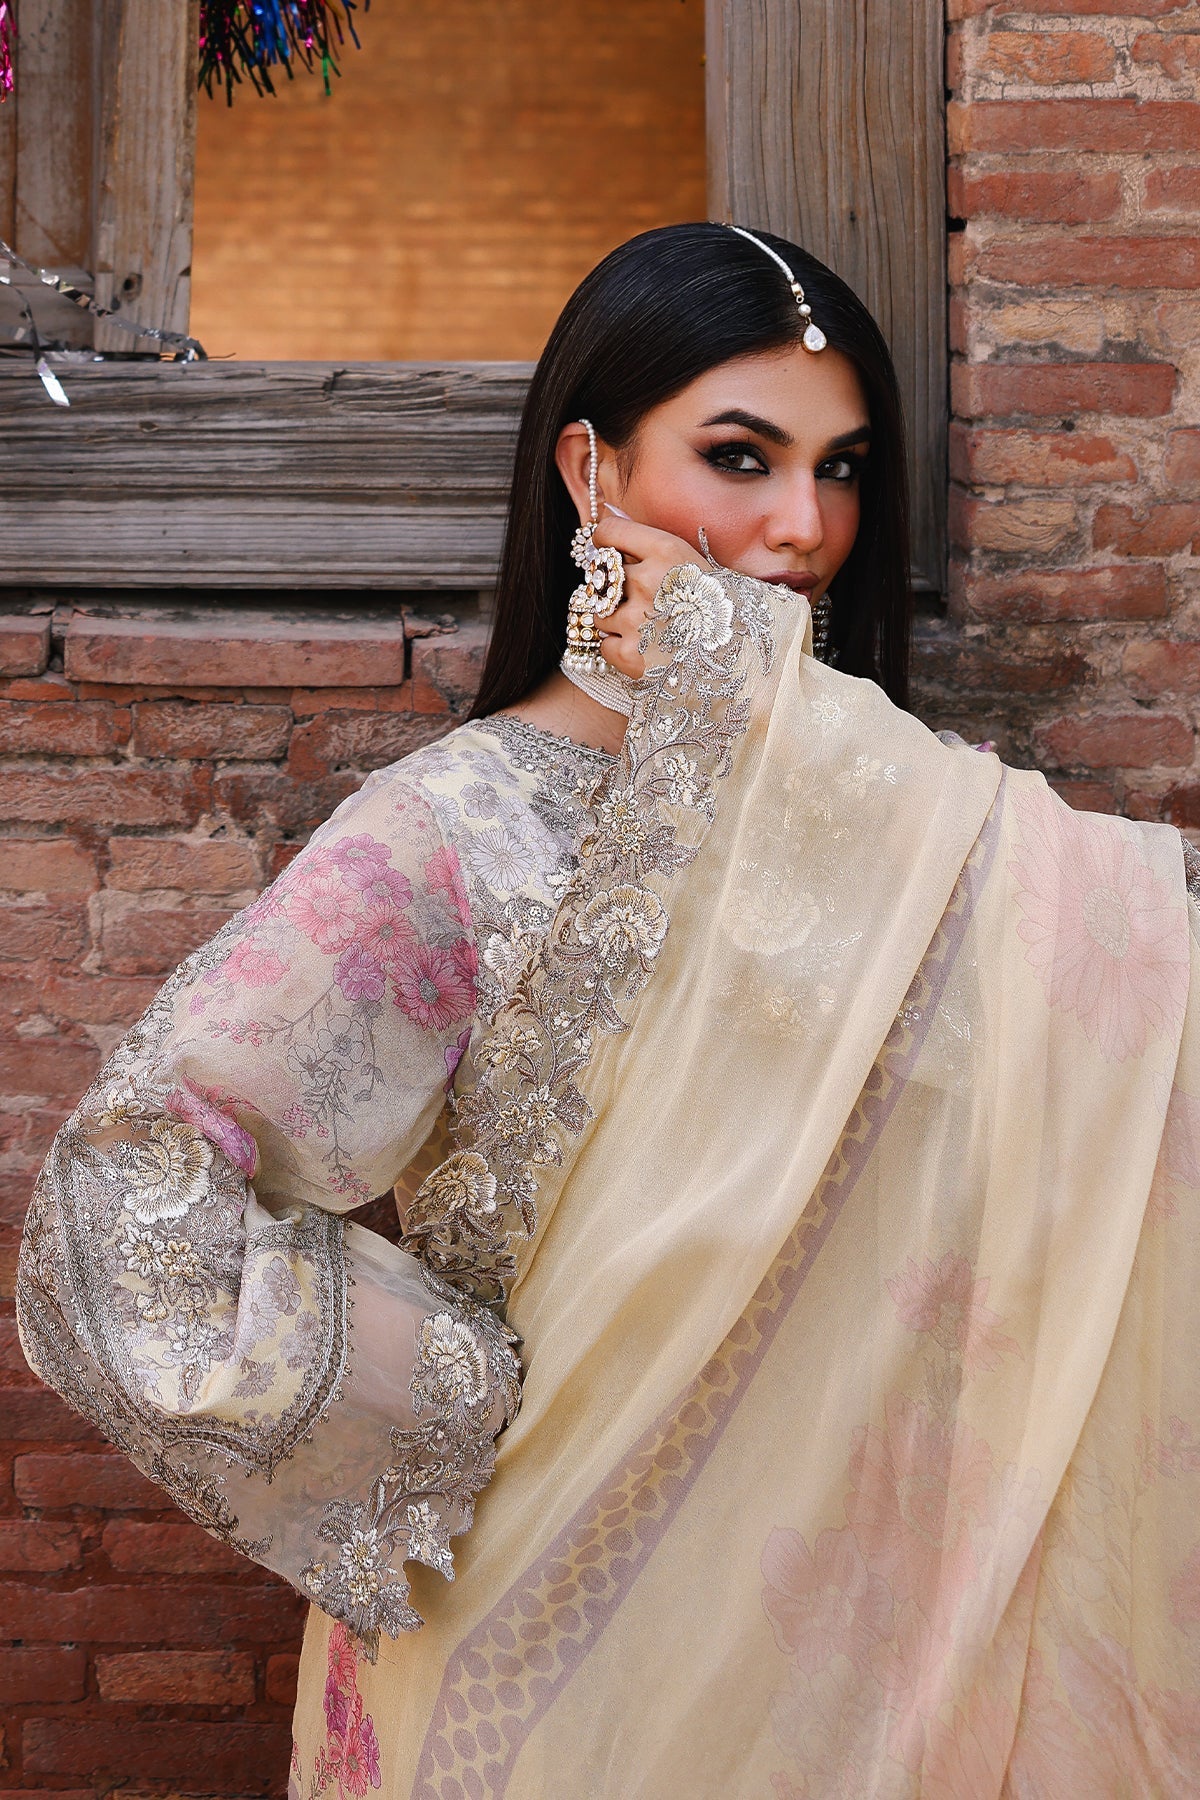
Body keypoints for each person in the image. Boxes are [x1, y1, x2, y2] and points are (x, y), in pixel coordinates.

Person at [17, 223, 1200, 1798]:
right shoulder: (455, 835)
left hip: (871, 1659)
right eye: (740, 457)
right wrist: (443, 1408)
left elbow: (1133, 1048)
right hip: (546, 1652)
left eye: (843, 469)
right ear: (593, 472)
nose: (804, 526)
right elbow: (127, 1196)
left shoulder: (922, 828)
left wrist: (773, 723)